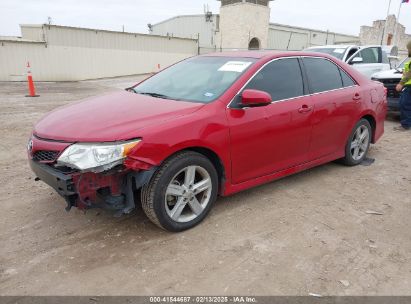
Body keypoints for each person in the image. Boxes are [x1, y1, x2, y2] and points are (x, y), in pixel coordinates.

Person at [395, 41, 411, 131]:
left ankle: (405, 125)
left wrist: (401, 83)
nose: (408, 50)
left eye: (408, 49)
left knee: (404, 104)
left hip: (409, 86)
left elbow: (409, 74)